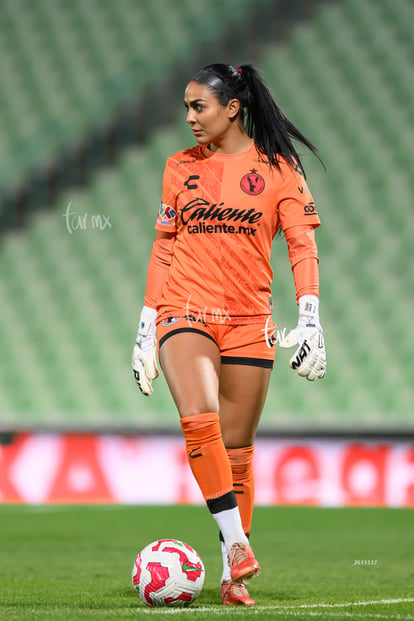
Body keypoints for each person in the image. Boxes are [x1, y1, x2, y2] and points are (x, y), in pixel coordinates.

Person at [132, 63, 326, 606]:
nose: (190, 118)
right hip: (184, 309)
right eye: (187, 108)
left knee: (238, 453)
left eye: (200, 107)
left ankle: (230, 578)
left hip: (249, 320)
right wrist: (147, 328)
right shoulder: (177, 168)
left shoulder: (280, 170)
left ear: (232, 108)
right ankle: (239, 544)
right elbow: (165, 248)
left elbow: (302, 246)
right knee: (200, 421)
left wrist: (309, 318)